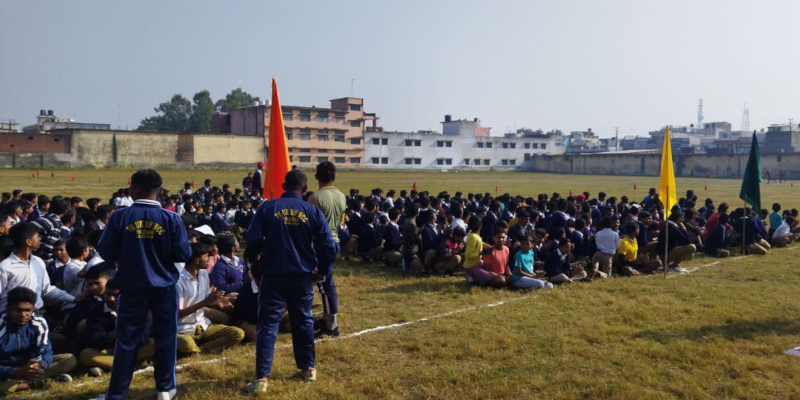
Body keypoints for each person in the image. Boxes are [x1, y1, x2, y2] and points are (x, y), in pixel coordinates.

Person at [93, 169, 192, 400]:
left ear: (134, 187)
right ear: (159, 190)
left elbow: (105, 249)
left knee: (127, 342)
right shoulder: (171, 218)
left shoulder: (120, 216)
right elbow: (183, 253)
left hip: (132, 286)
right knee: (165, 339)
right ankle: (165, 390)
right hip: (164, 287)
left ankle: (116, 394)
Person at [243, 170, 336, 393]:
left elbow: (252, 238)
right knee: (303, 320)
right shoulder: (312, 211)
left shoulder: (268, 207)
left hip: (273, 275)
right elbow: (328, 247)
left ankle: (262, 378)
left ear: (284, 186)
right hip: (303, 275)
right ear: (305, 189)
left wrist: (258, 257)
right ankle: (308, 368)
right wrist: (322, 270)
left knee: (268, 325)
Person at [0, 287, 76, 395]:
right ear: (8, 309)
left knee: (69, 359)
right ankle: (34, 382)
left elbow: (45, 351)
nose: (23, 315)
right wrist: (14, 372)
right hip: (5, 369)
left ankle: (26, 381)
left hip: (28, 365)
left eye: (27, 310)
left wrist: (39, 365)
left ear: (33, 309)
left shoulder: (38, 322)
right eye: (17, 310)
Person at [176, 243, 244, 355]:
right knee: (185, 342)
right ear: (197, 260)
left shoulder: (203, 274)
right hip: (184, 329)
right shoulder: (179, 282)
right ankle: (193, 347)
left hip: (202, 325)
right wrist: (205, 302)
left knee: (237, 333)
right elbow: (178, 314)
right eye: (207, 256)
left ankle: (200, 350)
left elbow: (207, 298)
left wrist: (220, 300)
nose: (210, 259)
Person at [79, 278, 155, 377]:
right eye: (108, 294)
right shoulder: (96, 311)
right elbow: (94, 338)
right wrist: (111, 335)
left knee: (160, 344)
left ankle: (113, 365)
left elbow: (144, 337)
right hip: (110, 350)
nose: (111, 299)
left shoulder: (139, 309)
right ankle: (128, 364)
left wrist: (127, 336)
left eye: (116, 295)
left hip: (136, 349)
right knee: (86, 354)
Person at [307, 162, 345, 338]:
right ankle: (328, 320)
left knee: (323, 284)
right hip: (336, 240)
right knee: (326, 283)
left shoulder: (315, 197)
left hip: (321, 242)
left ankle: (331, 325)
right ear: (334, 177)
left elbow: (309, 224)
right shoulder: (341, 196)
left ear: (316, 176)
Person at [0, 223, 74, 311]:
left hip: (35, 314)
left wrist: (73, 299)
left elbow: (47, 290)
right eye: (37, 237)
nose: (40, 239)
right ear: (28, 242)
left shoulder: (38, 262)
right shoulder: (5, 267)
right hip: (11, 318)